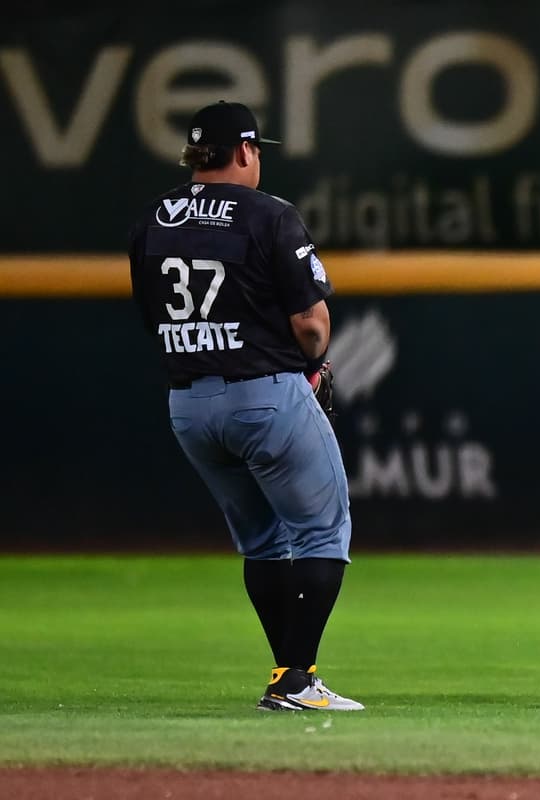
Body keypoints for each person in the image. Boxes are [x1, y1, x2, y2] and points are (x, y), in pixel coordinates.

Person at [128, 101, 362, 712]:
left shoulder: (154, 217)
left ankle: (290, 671)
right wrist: (310, 364)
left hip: (188, 405)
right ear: (245, 151)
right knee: (321, 532)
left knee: (262, 541)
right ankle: (295, 682)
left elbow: (150, 314)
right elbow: (311, 324)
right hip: (263, 392)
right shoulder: (268, 214)